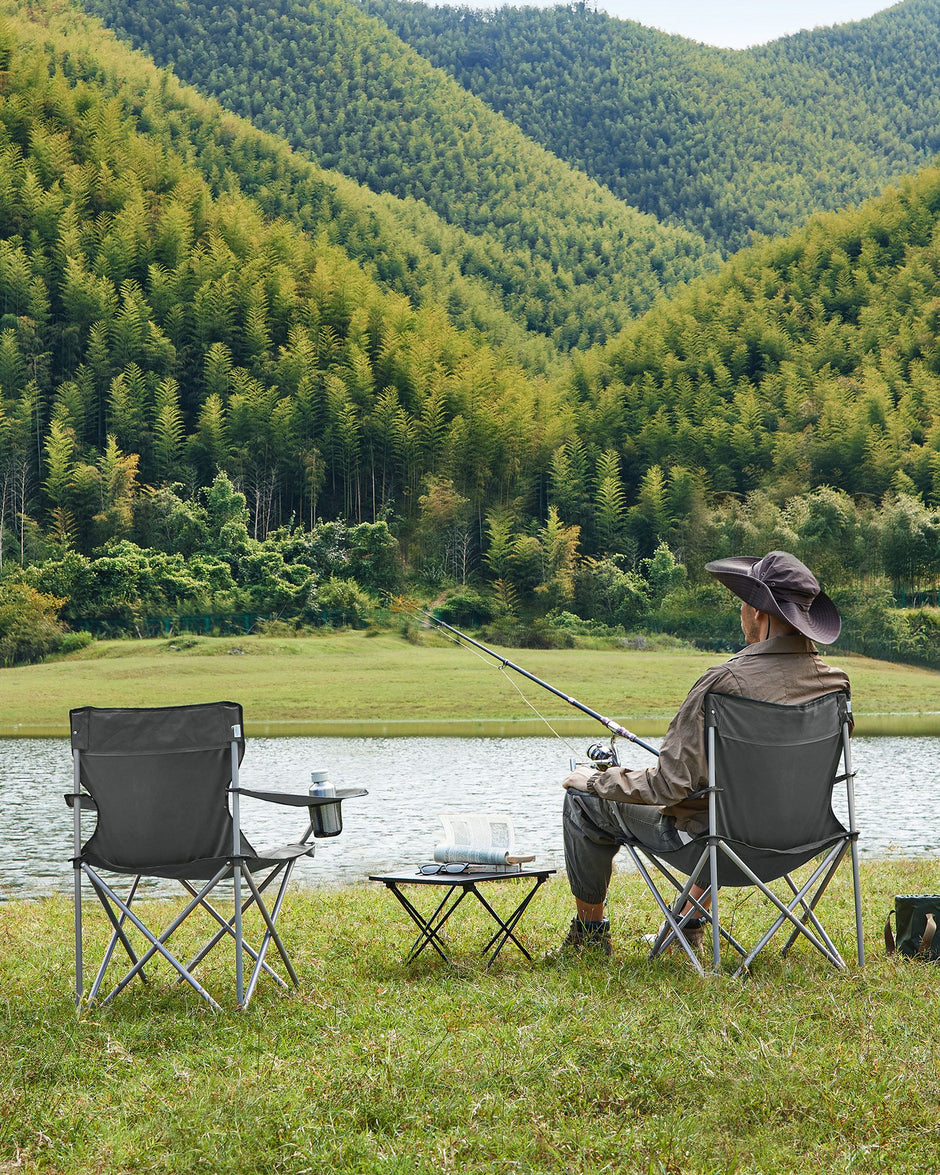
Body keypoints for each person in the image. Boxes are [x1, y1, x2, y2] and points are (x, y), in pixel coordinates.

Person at [559, 550, 851, 956]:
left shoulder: (724, 682)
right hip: (801, 846)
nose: (742, 611)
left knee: (583, 800)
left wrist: (596, 780)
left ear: (760, 613)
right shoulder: (836, 686)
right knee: (727, 801)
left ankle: (588, 939)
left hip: (719, 848)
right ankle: (689, 923)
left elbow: (669, 784)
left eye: (746, 603)